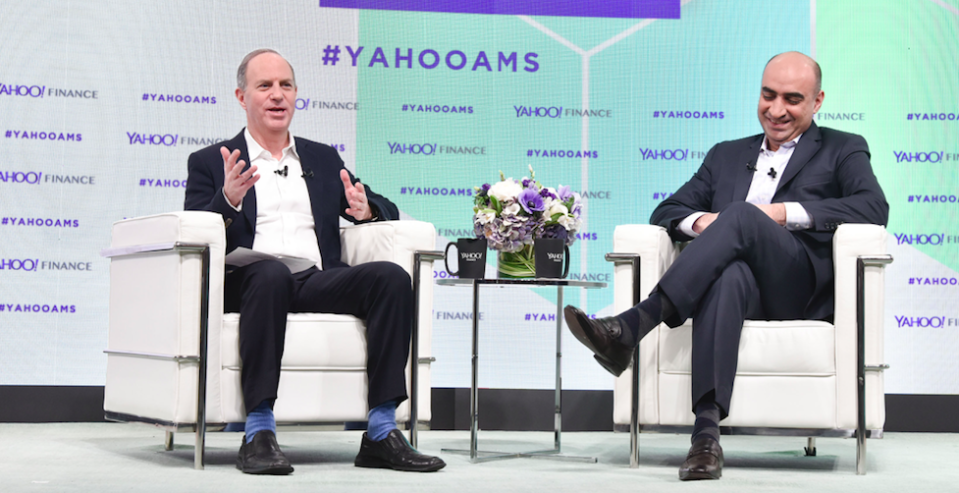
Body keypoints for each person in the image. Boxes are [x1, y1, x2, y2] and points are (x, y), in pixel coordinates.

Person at [563, 51, 888, 481]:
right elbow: (668, 210)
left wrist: (781, 213)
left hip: (797, 286)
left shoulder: (843, 148)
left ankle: (633, 325)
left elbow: (872, 206)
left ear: (817, 101)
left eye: (792, 99)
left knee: (742, 213)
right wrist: (703, 222)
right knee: (727, 275)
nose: (776, 110)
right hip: (743, 289)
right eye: (767, 95)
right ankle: (706, 438)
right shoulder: (726, 155)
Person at [184, 49, 445, 475]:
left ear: (296, 95)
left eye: (285, 85)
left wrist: (367, 210)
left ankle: (381, 429)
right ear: (241, 95)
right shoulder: (213, 161)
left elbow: (383, 205)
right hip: (250, 280)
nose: (277, 95)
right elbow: (199, 233)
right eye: (264, 86)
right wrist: (228, 200)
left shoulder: (321, 159)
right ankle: (258, 431)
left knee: (391, 278)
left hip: (312, 278)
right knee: (268, 272)